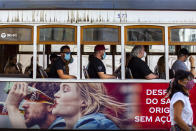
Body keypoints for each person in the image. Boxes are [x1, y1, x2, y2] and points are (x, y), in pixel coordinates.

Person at [52, 82, 127, 129]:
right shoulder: (59, 124)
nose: (55, 95)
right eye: (59, 89)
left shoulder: (94, 124)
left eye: (65, 90)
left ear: (84, 101)